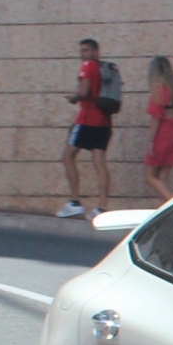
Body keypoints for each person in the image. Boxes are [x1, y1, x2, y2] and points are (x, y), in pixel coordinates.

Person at [56, 37, 113, 219]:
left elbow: (84, 92)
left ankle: (75, 202)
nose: (83, 55)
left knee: (67, 156)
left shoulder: (88, 66)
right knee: (100, 164)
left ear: (96, 51)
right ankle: (102, 207)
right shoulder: (105, 69)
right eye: (82, 51)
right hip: (104, 122)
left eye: (86, 50)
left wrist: (74, 98)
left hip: (86, 121)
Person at [141, 55, 173, 203]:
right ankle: (165, 210)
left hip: (163, 134)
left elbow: (156, 117)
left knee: (150, 177)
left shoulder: (159, 90)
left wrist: (151, 141)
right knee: (163, 178)